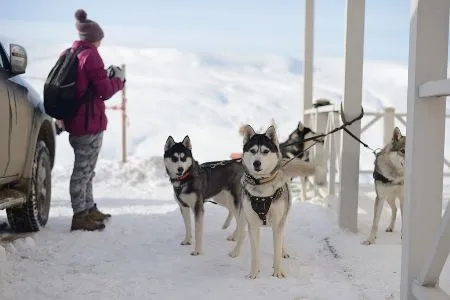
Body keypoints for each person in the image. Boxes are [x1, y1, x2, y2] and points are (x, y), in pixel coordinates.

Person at [59, 9, 126, 231]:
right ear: (94, 38)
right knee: (82, 171)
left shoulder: (69, 53)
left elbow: (86, 85)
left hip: (77, 121)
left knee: (87, 169)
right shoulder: (91, 55)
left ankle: (88, 208)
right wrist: (118, 80)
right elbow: (104, 90)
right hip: (88, 123)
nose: (100, 43)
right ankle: (80, 216)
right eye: (100, 39)